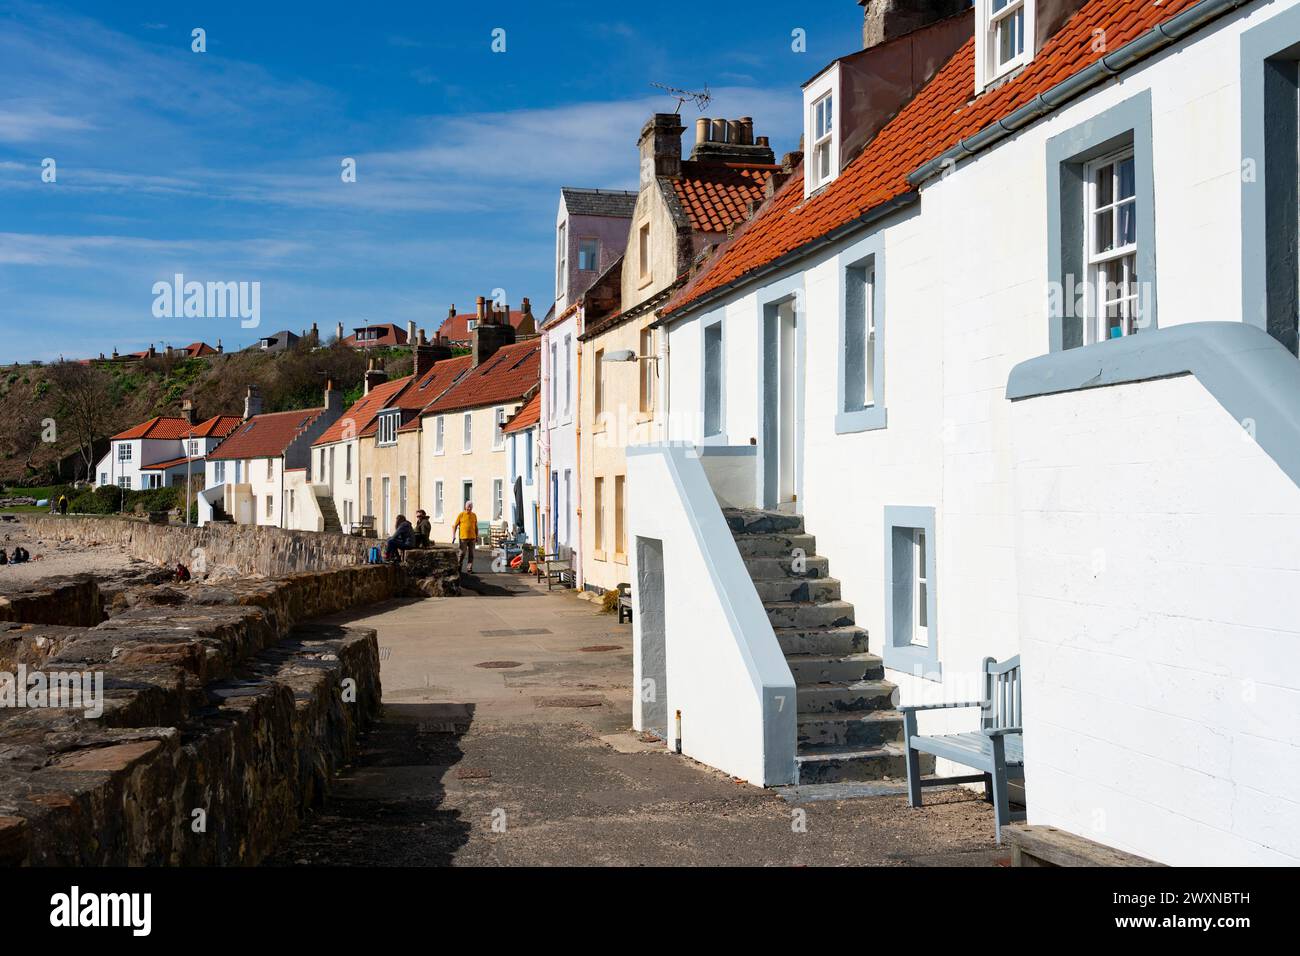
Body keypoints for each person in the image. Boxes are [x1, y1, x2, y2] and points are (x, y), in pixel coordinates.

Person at [452, 500, 478, 573]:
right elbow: (455, 526)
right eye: (468, 506)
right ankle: (458, 568)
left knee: (471, 554)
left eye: (470, 507)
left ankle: (469, 568)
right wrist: (454, 536)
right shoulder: (461, 515)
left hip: (472, 538)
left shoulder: (474, 515)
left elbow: (476, 527)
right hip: (463, 538)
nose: (469, 508)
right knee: (462, 554)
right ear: (465, 507)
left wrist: (477, 536)